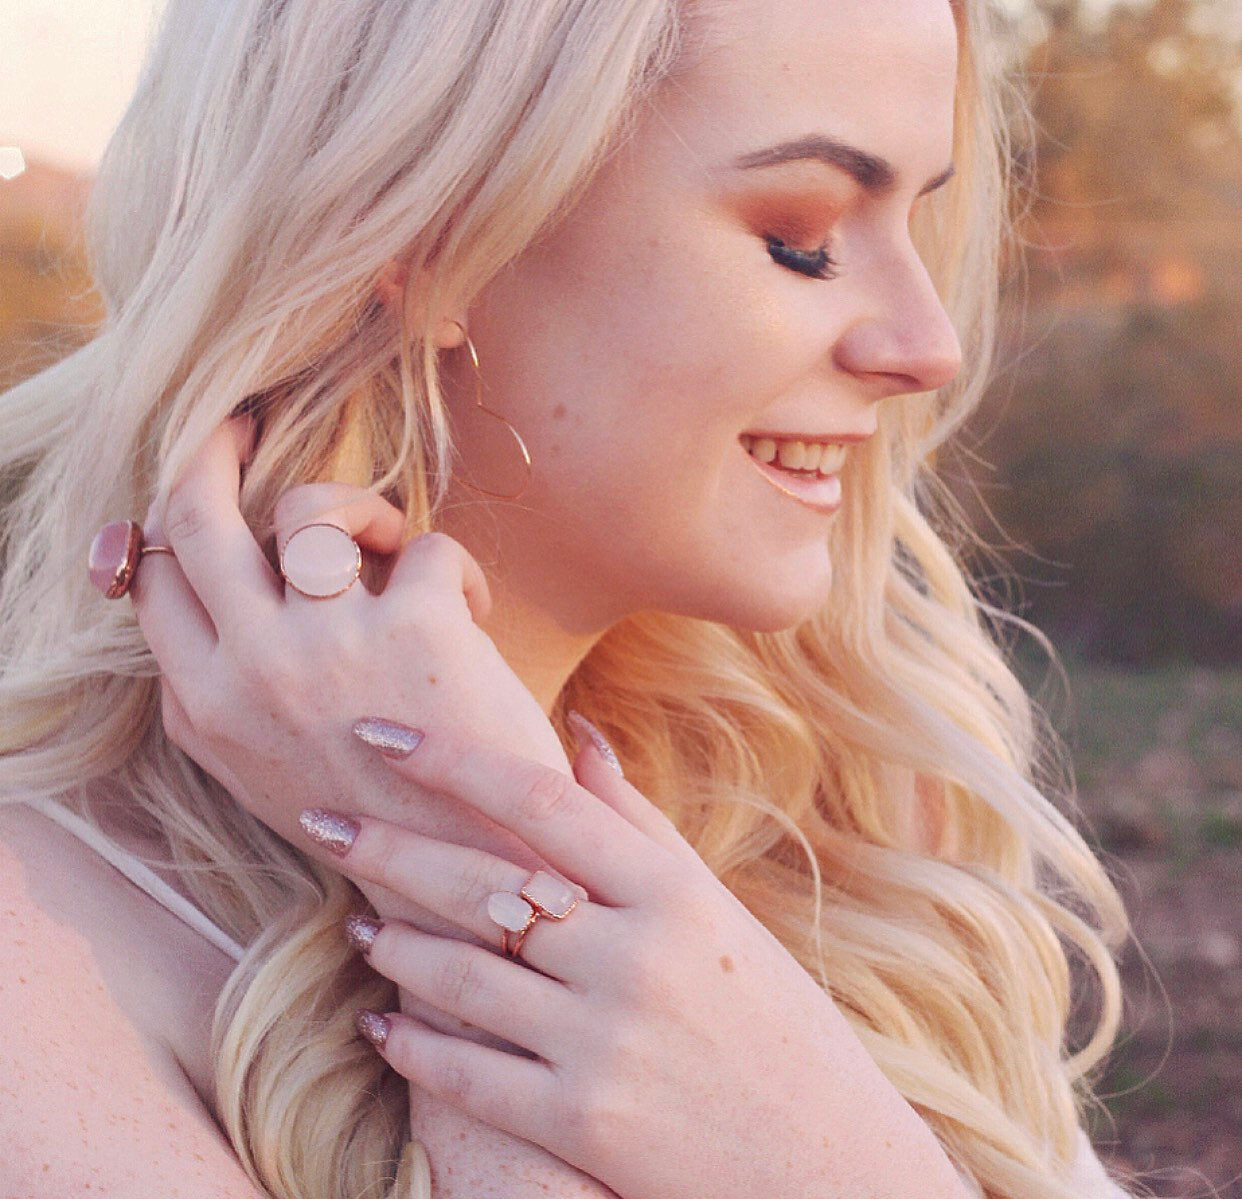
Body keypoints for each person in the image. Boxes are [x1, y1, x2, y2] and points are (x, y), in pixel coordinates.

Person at [0, 0, 1144, 1195]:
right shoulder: (37, 962)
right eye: (800, 236)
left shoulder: (829, 817)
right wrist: (468, 848)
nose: (929, 344)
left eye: (917, 216)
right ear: (428, 237)